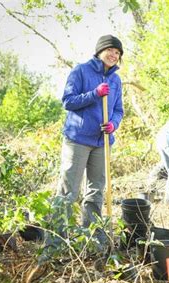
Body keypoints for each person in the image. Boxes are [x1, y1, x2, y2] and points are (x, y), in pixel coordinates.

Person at [48, 34, 124, 250]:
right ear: (100, 51)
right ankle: (55, 241)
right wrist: (94, 94)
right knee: (69, 190)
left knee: (96, 191)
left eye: (117, 53)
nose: (114, 55)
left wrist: (114, 124)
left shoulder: (116, 80)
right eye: (110, 50)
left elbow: (118, 109)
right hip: (78, 139)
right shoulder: (81, 70)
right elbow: (68, 101)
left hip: (102, 142)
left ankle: (92, 239)